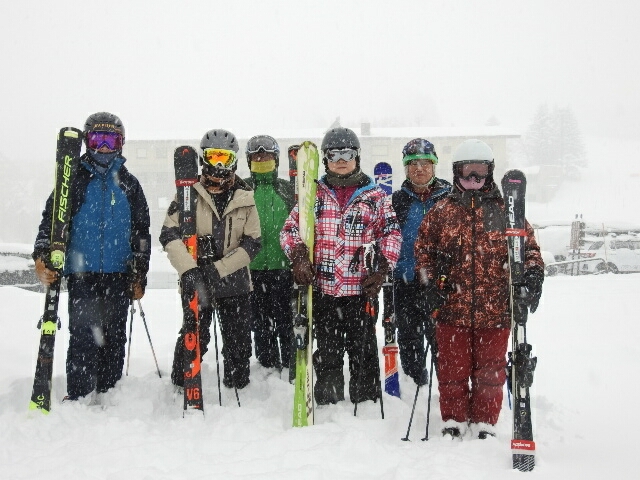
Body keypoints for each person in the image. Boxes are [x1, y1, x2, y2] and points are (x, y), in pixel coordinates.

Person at [414, 139, 544, 439]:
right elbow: (423, 252)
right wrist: (429, 283)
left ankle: (485, 421)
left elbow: (529, 249)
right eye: (467, 172)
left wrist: (533, 274)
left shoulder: (505, 211)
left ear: (490, 172)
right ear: (456, 172)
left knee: (490, 372)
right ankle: (454, 419)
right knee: (452, 371)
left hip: (494, 310)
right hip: (452, 309)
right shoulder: (442, 211)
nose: (473, 179)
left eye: (480, 172)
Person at [33, 112, 151, 403]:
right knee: (84, 336)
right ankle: (81, 394)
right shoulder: (72, 181)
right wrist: (42, 254)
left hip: (118, 274)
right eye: (98, 141)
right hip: (81, 273)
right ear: (87, 142)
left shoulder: (129, 184)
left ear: (121, 144)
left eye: (111, 141)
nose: (105, 149)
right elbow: (51, 221)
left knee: (114, 336)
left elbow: (142, 232)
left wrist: (140, 273)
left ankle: (110, 394)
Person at [280, 127, 402, 405]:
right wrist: (298, 255)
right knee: (328, 351)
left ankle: (366, 401)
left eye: (347, 154)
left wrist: (382, 267)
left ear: (357, 157)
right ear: (325, 159)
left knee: (363, 350)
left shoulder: (375, 197)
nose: (341, 160)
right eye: (334, 155)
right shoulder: (314, 195)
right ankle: (330, 401)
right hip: (325, 291)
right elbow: (289, 230)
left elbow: (392, 233)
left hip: (361, 291)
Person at [160, 129, 261, 390]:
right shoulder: (187, 194)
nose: (218, 165)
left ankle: (238, 387)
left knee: (238, 342)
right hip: (197, 280)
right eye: (213, 156)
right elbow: (168, 234)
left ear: (234, 161)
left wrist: (219, 269)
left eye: (225, 158)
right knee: (195, 336)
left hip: (234, 281)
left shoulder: (245, 197)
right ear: (204, 159)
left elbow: (253, 243)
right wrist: (188, 270)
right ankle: (181, 384)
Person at [389, 139, 451, 386]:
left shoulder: (449, 197)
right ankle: (415, 384)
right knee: (409, 339)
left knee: (443, 340)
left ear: (434, 165)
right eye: (413, 164)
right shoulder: (397, 200)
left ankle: (447, 390)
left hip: (440, 283)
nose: (419, 169)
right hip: (405, 281)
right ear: (406, 168)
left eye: (425, 163)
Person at [242, 135, 295, 374]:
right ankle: (267, 368)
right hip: (252, 270)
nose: (262, 160)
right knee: (260, 324)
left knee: (286, 321)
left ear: (276, 159)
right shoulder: (243, 189)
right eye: (257, 156)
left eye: (267, 156)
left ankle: (291, 365)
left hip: (283, 269)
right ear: (249, 161)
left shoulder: (286, 189)